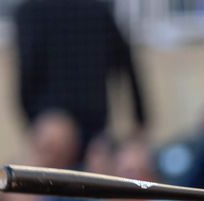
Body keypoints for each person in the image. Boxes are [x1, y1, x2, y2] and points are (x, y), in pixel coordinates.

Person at [13, 0, 147, 145]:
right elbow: (126, 63)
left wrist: (32, 121)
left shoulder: (29, 11)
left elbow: (27, 69)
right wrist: (140, 116)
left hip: (52, 122)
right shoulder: (98, 10)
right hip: (92, 123)